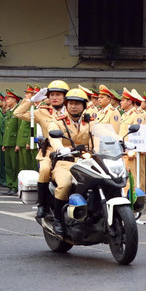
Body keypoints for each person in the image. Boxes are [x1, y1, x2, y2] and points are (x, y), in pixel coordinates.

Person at [42, 88, 94, 235]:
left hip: (86, 162)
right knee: (65, 185)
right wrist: (61, 149)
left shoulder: (90, 122)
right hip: (64, 162)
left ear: (84, 106)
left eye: (77, 104)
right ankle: (58, 220)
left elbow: (99, 136)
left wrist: (115, 144)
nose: (73, 106)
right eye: (70, 103)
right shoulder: (57, 122)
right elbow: (54, 138)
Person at [14, 80, 69, 214]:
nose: (54, 98)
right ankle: (42, 204)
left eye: (58, 95)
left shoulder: (72, 110)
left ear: (65, 97)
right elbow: (18, 114)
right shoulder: (42, 112)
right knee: (44, 170)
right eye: (51, 95)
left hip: (69, 150)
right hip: (49, 150)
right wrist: (31, 100)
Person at [1, 89, 22, 196]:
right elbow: (6, 130)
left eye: (8, 99)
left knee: (15, 167)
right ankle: (10, 185)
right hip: (8, 143)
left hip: (14, 143)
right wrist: (4, 143)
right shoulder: (9, 112)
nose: (6, 101)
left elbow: (19, 129)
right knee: (8, 166)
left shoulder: (18, 111)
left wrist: (18, 144)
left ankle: (15, 186)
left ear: (14, 100)